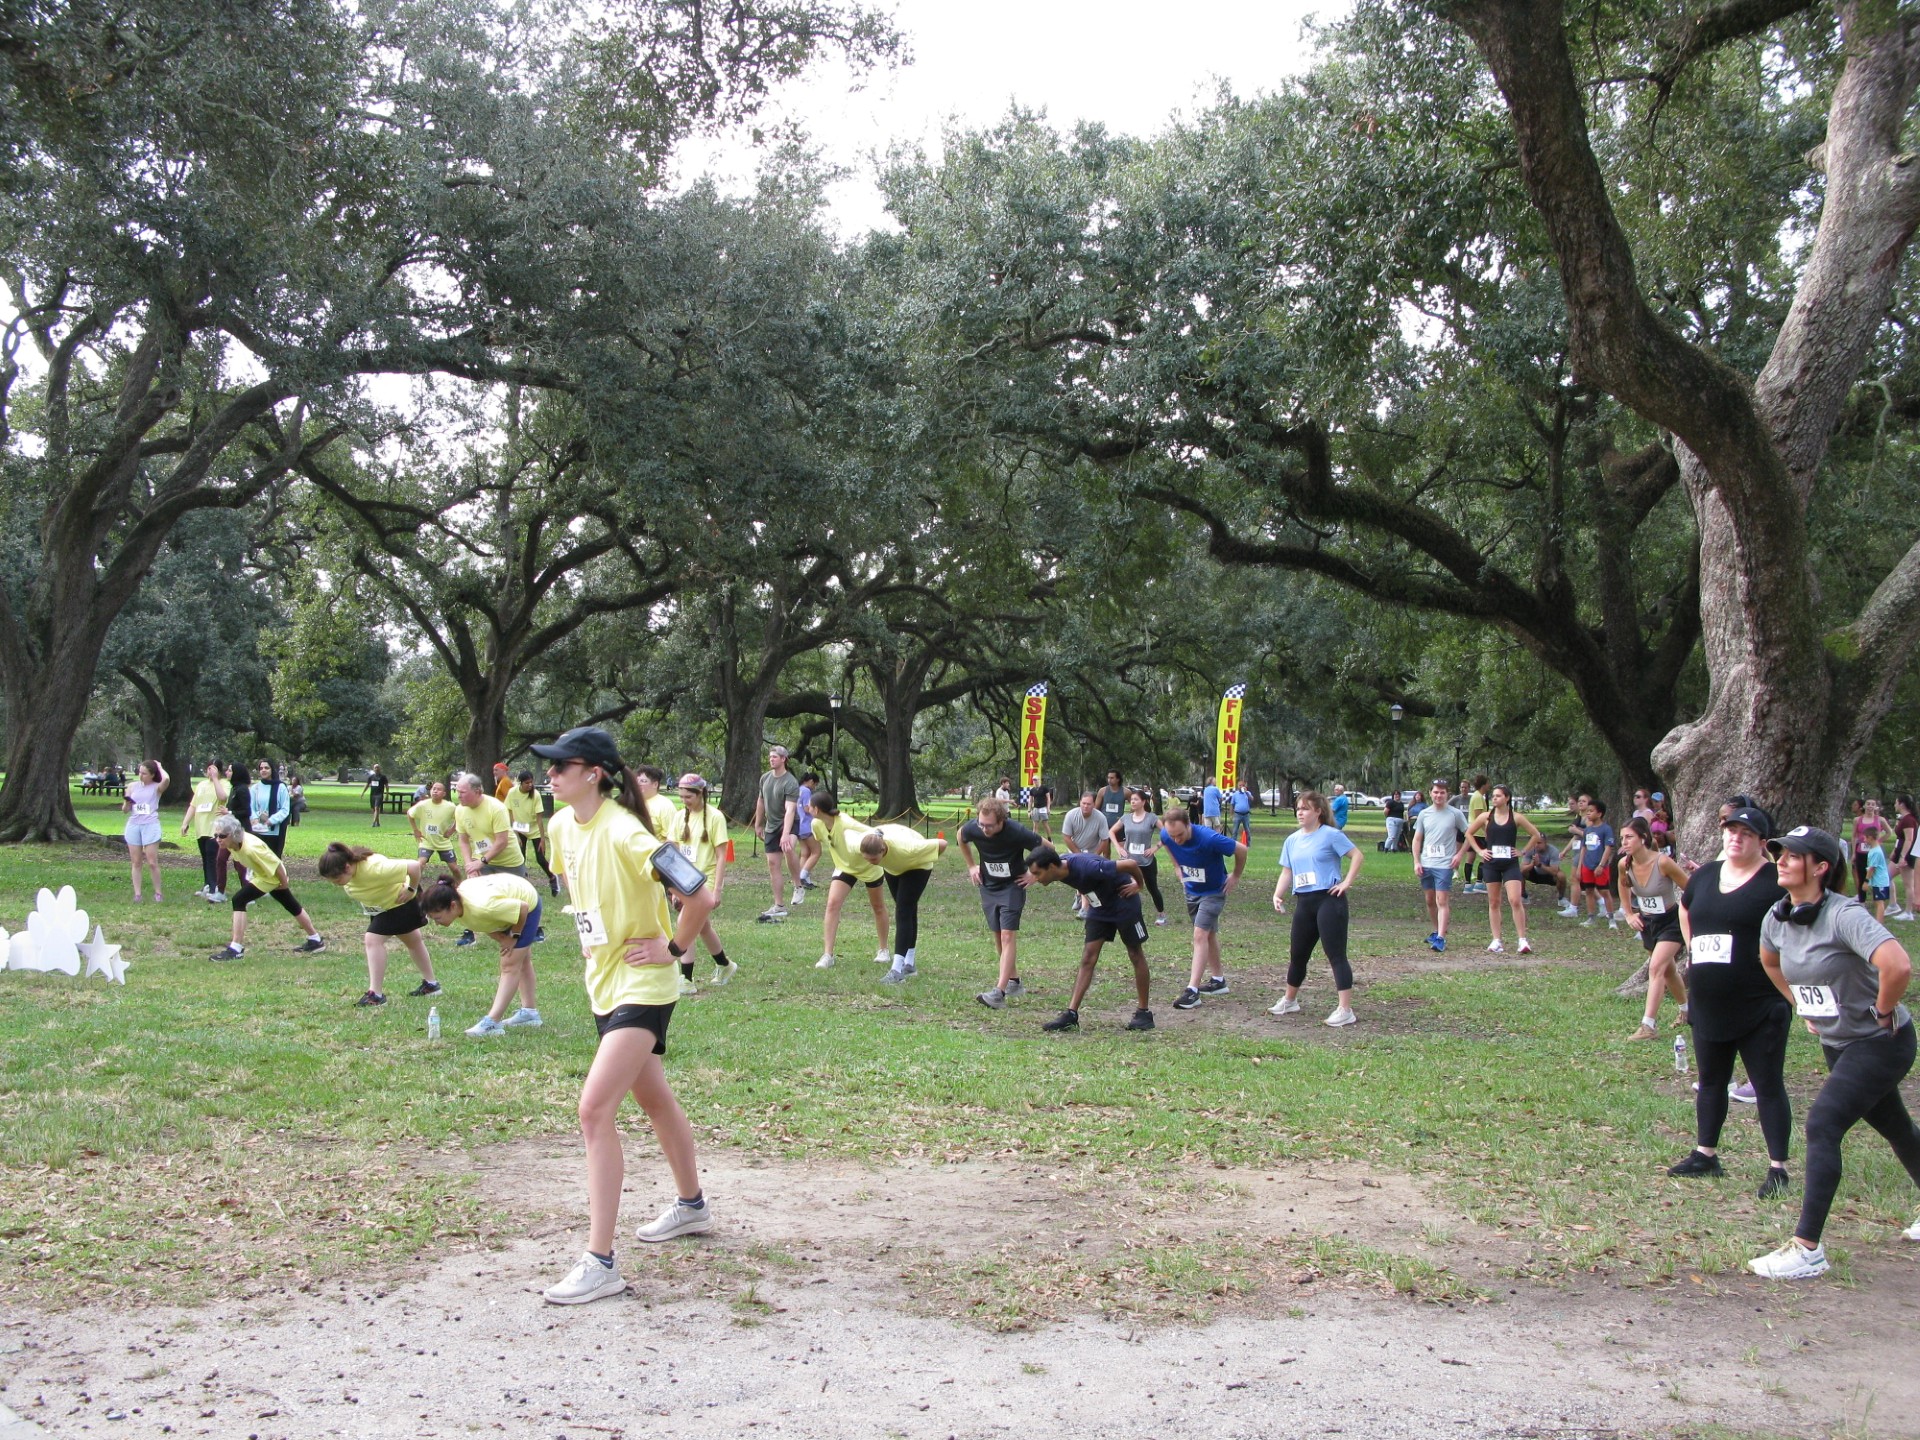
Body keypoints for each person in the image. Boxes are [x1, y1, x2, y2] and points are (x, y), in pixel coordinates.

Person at [528, 726, 719, 1305]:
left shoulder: (626, 831)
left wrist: (675, 947)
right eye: (550, 766)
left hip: (646, 985)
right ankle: (691, 1207)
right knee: (653, 1097)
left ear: (594, 774)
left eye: (561, 766)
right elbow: (580, 890)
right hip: (604, 985)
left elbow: (700, 895)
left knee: (593, 1109)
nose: (550, 774)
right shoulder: (561, 826)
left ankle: (600, 1261)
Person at [1747, 826, 1920, 1279]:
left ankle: (1807, 1249)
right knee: (1897, 1127)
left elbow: (1898, 964)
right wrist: (1799, 1002)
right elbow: (1769, 961)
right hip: (1838, 1045)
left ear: (1820, 867)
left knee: (1822, 1123)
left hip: (1882, 1042)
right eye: (1778, 853)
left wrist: (1883, 1010)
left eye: (1792, 855)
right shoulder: (1777, 917)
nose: (1780, 860)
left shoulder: (1844, 915)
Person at [1668, 804, 1792, 1197]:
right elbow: (1686, 910)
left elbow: (1797, 925)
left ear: (1762, 843)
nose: (1735, 838)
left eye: (1746, 833)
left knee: (1767, 1084)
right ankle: (1706, 1154)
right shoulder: (1704, 876)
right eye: (1730, 830)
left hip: (1759, 1002)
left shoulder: (1775, 882)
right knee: (1710, 1082)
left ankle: (1778, 1167)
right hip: (1708, 999)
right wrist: (1693, 947)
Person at [1024, 844, 1154, 1033]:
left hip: (1123, 900)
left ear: (1051, 867)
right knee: (1088, 957)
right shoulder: (1058, 866)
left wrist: (1139, 885)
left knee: (1135, 953)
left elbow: (1131, 864)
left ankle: (1144, 1013)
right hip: (1099, 906)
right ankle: (1071, 1015)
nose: (1035, 878)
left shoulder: (1088, 867)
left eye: (1037, 874)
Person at [1270, 790, 1363, 1025]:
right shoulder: (1292, 840)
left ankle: (1345, 1009)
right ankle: (1290, 1000)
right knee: (1297, 955)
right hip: (1304, 901)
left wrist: (1346, 882)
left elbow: (1357, 855)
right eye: (1298, 808)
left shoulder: (1331, 835)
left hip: (1329, 900)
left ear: (1318, 812)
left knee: (1336, 955)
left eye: (1305, 808)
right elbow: (1287, 871)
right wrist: (1278, 894)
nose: (1300, 812)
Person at [317, 842, 442, 1007]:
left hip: (400, 903)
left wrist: (411, 890)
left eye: (338, 880)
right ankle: (431, 985)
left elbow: (414, 866)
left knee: (373, 940)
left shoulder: (374, 868)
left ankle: (375, 995)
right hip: (382, 906)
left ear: (347, 867)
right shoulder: (352, 872)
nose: (337, 884)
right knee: (412, 940)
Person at [423, 870, 545, 1036]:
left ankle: (492, 1022)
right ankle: (530, 1014)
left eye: (437, 918)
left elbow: (521, 908)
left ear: (452, 905)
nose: (437, 924)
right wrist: (500, 937)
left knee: (509, 965)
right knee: (521, 960)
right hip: (505, 901)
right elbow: (482, 923)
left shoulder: (483, 907)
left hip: (526, 902)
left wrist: (513, 936)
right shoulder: (460, 906)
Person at [959, 796, 1044, 1008]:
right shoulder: (974, 828)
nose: (984, 830)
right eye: (981, 824)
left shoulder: (1016, 831)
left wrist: (1035, 875)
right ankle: (1014, 982)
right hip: (989, 886)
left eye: (989, 826)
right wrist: (971, 866)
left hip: (1012, 886)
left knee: (1007, 935)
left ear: (1001, 821)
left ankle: (999, 992)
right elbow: (960, 837)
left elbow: (1047, 848)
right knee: (998, 934)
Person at [1161, 808, 1248, 1011]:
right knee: (1208, 935)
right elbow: (1168, 845)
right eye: (1173, 836)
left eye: (1180, 835)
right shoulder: (1167, 834)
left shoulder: (1209, 838)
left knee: (1200, 934)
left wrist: (1235, 875)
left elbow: (1241, 850)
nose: (1177, 840)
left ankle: (1192, 991)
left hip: (1213, 892)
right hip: (1192, 890)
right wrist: (1177, 868)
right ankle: (1218, 981)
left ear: (1189, 825)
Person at [208, 815, 324, 961]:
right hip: (264, 875)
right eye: (216, 835)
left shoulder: (251, 848)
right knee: (291, 905)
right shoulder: (233, 843)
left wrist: (283, 883)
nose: (218, 839)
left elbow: (276, 865)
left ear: (233, 835)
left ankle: (236, 948)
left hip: (271, 877)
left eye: (222, 836)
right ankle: (315, 939)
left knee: (239, 900)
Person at [1618, 817, 1691, 1039]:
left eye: (1629, 837)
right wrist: (1629, 913)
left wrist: (1689, 916)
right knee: (1667, 970)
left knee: (1656, 968)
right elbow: (1623, 887)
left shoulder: (1663, 862)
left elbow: (1690, 888)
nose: (1625, 842)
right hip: (1647, 923)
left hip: (1670, 921)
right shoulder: (1624, 864)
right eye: (1622, 838)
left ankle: (1648, 1025)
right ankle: (1686, 1011)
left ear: (1643, 838)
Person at [807, 790, 891, 969]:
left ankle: (883, 950)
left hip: (868, 867)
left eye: (809, 805)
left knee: (878, 907)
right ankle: (828, 955)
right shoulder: (816, 824)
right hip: (845, 867)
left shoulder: (845, 823)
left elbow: (874, 834)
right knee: (832, 904)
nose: (807, 807)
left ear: (817, 809)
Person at [669, 774, 734, 992]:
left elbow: (722, 856)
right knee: (701, 926)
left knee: (684, 922)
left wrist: (717, 889)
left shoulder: (715, 817)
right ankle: (725, 965)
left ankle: (686, 979)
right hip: (685, 881)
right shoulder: (679, 818)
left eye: (688, 796)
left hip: (705, 880)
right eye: (681, 796)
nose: (684, 800)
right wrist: (674, 888)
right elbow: (673, 853)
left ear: (700, 794)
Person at [858, 824, 947, 983]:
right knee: (908, 910)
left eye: (873, 859)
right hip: (894, 868)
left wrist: (923, 858)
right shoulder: (868, 844)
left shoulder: (908, 849)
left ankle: (897, 970)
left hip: (917, 865)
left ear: (883, 850)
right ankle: (909, 965)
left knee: (903, 911)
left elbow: (942, 844)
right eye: (866, 859)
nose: (870, 863)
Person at [453, 770, 529, 946]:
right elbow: (463, 840)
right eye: (457, 792)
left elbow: (501, 841)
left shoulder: (496, 808)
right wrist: (470, 864)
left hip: (509, 862)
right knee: (473, 896)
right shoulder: (460, 811)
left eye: (462, 792)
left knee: (519, 899)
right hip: (482, 860)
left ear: (478, 791)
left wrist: (482, 861)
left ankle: (526, 933)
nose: (459, 796)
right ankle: (469, 933)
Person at [1466, 784, 1542, 954]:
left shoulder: (1516, 817)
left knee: (1515, 900)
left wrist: (1522, 851)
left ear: (1507, 798)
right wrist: (1480, 851)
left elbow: (1535, 835)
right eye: (1493, 796)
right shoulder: (1486, 817)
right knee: (1494, 902)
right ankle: (1496, 940)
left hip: (1510, 864)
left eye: (1498, 796)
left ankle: (1522, 940)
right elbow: (1469, 833)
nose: (1494, 798)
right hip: (1491, 864)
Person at [1412, 780, 1469, 952]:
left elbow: (1469, 835)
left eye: (1442, 792)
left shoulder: (1455, 814)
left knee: (1441, 900)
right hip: (1426, 862)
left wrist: (1459, 855)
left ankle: (1442, 938)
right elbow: (1417, 839)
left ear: (1447, 794)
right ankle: (1437, 931)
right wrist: (1416, 861)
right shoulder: (1424, 814)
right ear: (1430, 793)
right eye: (1436, 792)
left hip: (1445, 864)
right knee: (1430, 900)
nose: (1438, 795)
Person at [752, 744, 802, 922]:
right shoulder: (765, 778)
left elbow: (790, 810)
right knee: (773, 864)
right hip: (772, 825)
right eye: (770, 756)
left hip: (789, 823)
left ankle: (798, 885)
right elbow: (760, 801)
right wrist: (758, 824)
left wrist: (785, 834)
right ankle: (779, 906)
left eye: (775, 757)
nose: (771, 759)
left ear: (783, 759)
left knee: (788, 848)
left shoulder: (790, 782)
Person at [1109, 786, 1169, 928]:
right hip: (1128, 860)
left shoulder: (1151, 818)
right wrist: (1118, 847)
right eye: (1131, 800)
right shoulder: (1126, 818)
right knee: (1125, 887)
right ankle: (1126, 915)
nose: (1132, 802)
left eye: (1136, 799)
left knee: (1152, 888)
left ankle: (1161, 915)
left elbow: (1168, 833)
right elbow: (1111, 831)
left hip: (1146, 861)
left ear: (1143, 802)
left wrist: (1155, 847)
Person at [507, 771, 560, 897]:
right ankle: (520, 885)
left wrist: (542, 839)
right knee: (520, 858)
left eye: (531, 782)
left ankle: (553, 878)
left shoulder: (535, 795)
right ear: (521, 783)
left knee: (540, 858)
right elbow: (509, 812)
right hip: (520, 829)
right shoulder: (512, 793)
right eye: (527, 783)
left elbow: (540, 819)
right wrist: (515, 833)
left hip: (534, 829)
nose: (530, 785)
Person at [182, 760, 229, 902]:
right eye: (209, 769)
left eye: (214, 769)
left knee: (212, 857)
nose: (210, 772)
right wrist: (185, 823)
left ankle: (215, 886)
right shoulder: (201, 785)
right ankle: (207, 884)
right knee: (205, 858)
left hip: (214, 827)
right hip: (200, 827)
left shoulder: (225, 784)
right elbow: (193, 805)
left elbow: (223, 797)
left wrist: (215, 779)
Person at [122, 759, 168, 902]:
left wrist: (160, 766)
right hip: (134, 825)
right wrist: (127, 803)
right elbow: (124, 810)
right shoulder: (132, 786)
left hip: (150, 825)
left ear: (152, 775)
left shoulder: (156, 788)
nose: (141, 776)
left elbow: (166, 779)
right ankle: (137, 894)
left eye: (144, 773)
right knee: (136, 862)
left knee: (152, 861)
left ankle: (158, 893)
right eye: (139, 772)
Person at [1060, 791, 1109, 918]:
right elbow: (1066, 837)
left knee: (1085, 877)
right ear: (1080, 803)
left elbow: (1105, 840)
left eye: (1089, 804)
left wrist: (1095, 856)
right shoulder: (1071, 815)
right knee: (1081, 876)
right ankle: (1081, 900)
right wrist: (1078, 854)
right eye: (1083, 803)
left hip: (1092, 851)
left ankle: (1084, 908)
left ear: (1094, 804)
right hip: (1075, 850)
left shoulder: (1101, 818)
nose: (1085, 806)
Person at [1577, 797, 1618, 928]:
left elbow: (1608, 848)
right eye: (1587, 811)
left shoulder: (1606, 829)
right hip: (1586, 865)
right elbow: (1583, 849)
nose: (1588, 813)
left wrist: (1601, 865)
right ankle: (1591, 917)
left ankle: (1611, 918)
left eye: (1591, 811)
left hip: (1600, 866)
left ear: (1599, 814)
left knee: (1605, 892)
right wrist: (1580, 866)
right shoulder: (1588, 830)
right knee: (1589, 891)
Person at [409, 781, 460, 869]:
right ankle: (414, 883)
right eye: (433, 789)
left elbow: (460, 817)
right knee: (420, 865)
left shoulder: (450, 807)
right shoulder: (423, 804)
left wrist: (451, 830)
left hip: (443, 842)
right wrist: (415, 830)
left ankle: (459, 882)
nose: (435, 791)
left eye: (438, 789)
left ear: (444, 794)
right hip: (426, 841)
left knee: (454, 868)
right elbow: (410, 814)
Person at [249, 759, 292, 857]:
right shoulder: (255, 788)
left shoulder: (281, 787)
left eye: (266, 768)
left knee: (273, 859)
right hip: (258, 829)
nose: (263, 770)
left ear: (272, 769)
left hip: (275, 830)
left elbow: (285, 809)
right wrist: (254, 818)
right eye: (261, 768)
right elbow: (251, 806)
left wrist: (271, 820)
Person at [1520, 831, 1571, 909]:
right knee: (1519, 873)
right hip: (1534, 874)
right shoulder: (1530, 850)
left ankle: (1561, 898)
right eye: (1535, 843)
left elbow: (1554, 871)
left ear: (1545, 843)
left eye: (1539, 843)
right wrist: (1532, 864)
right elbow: (1522, 868)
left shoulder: (1553, 851)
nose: (1537, 845)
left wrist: (1540, 864)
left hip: (1549, 874)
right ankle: (1523, 896)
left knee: (1561, 876)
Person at [1459, 776, 1489, 893]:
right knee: (1484, 857)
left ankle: (1468, 885)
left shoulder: (1477, 796)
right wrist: (1486, 830)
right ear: (1483, 784)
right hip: (1478, 833)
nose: (1489, 785)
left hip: (1473, 831)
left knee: (1471, 857)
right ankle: (1478, 883)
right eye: (1488, 783)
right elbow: (1478, 817)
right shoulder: (1477, 797)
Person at [794, 772, 821, 892]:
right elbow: (806, 808)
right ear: (811, 781)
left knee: (805, 853)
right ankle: (803, 876)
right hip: (807, 826)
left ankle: (801, 880)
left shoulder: (798, 789)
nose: (814, 787)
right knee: (817, 852)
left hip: (799, 825)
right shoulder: (806, 791)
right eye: (814, 785)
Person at [1894, 794, 1919, 921]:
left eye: (1896, 802)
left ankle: (1908, 912)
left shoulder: (1909, 820)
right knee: (1886, 876)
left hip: (1906, 854)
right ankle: (1893, 905)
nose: (1895, 805)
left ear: (1902, 804)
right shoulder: (1904, 819)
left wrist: (1903, 857)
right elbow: (1900, 838)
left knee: (1908, 884)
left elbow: (1909, 839)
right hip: (1899, 853)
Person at [1867, 827, 1894, 924]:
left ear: (1870, 838)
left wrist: (1866, 881)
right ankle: (1878, 921)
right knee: (1877, 901)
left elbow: (1872, 868)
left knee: (1879, 902)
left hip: (1880, 881)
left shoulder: (1876, 852)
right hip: (1877, 881)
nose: (1864, 840)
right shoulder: (1874, 850)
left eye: (1865, 838)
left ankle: (1879, 924)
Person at [1095, 769, 1127, 834]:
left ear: (1118, 779)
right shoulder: (1102, 791)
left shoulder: (1126, 792)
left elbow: (1135, 804)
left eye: (1112, 778)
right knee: (1104, 843)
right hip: (1104, 824)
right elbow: (1096, 809)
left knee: (1120, 844)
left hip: (1118, 825)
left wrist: (1128, 817)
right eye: (1108, 778)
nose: (1109, 780)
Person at [1026, 777, 1054, 842]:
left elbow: (1048, 798)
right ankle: (1034, 839)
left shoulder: (1044, 788)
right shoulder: (1032, 790)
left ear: (1039, 780)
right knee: (1035, 825)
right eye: (1033, 780)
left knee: (1045, 824)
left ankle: (1049, 838)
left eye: (1036, 780)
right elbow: (1030, 800)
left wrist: (1048, 808)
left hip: (1043, 808)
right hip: (1035, 808)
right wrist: (1029, 810)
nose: (1035, 781)